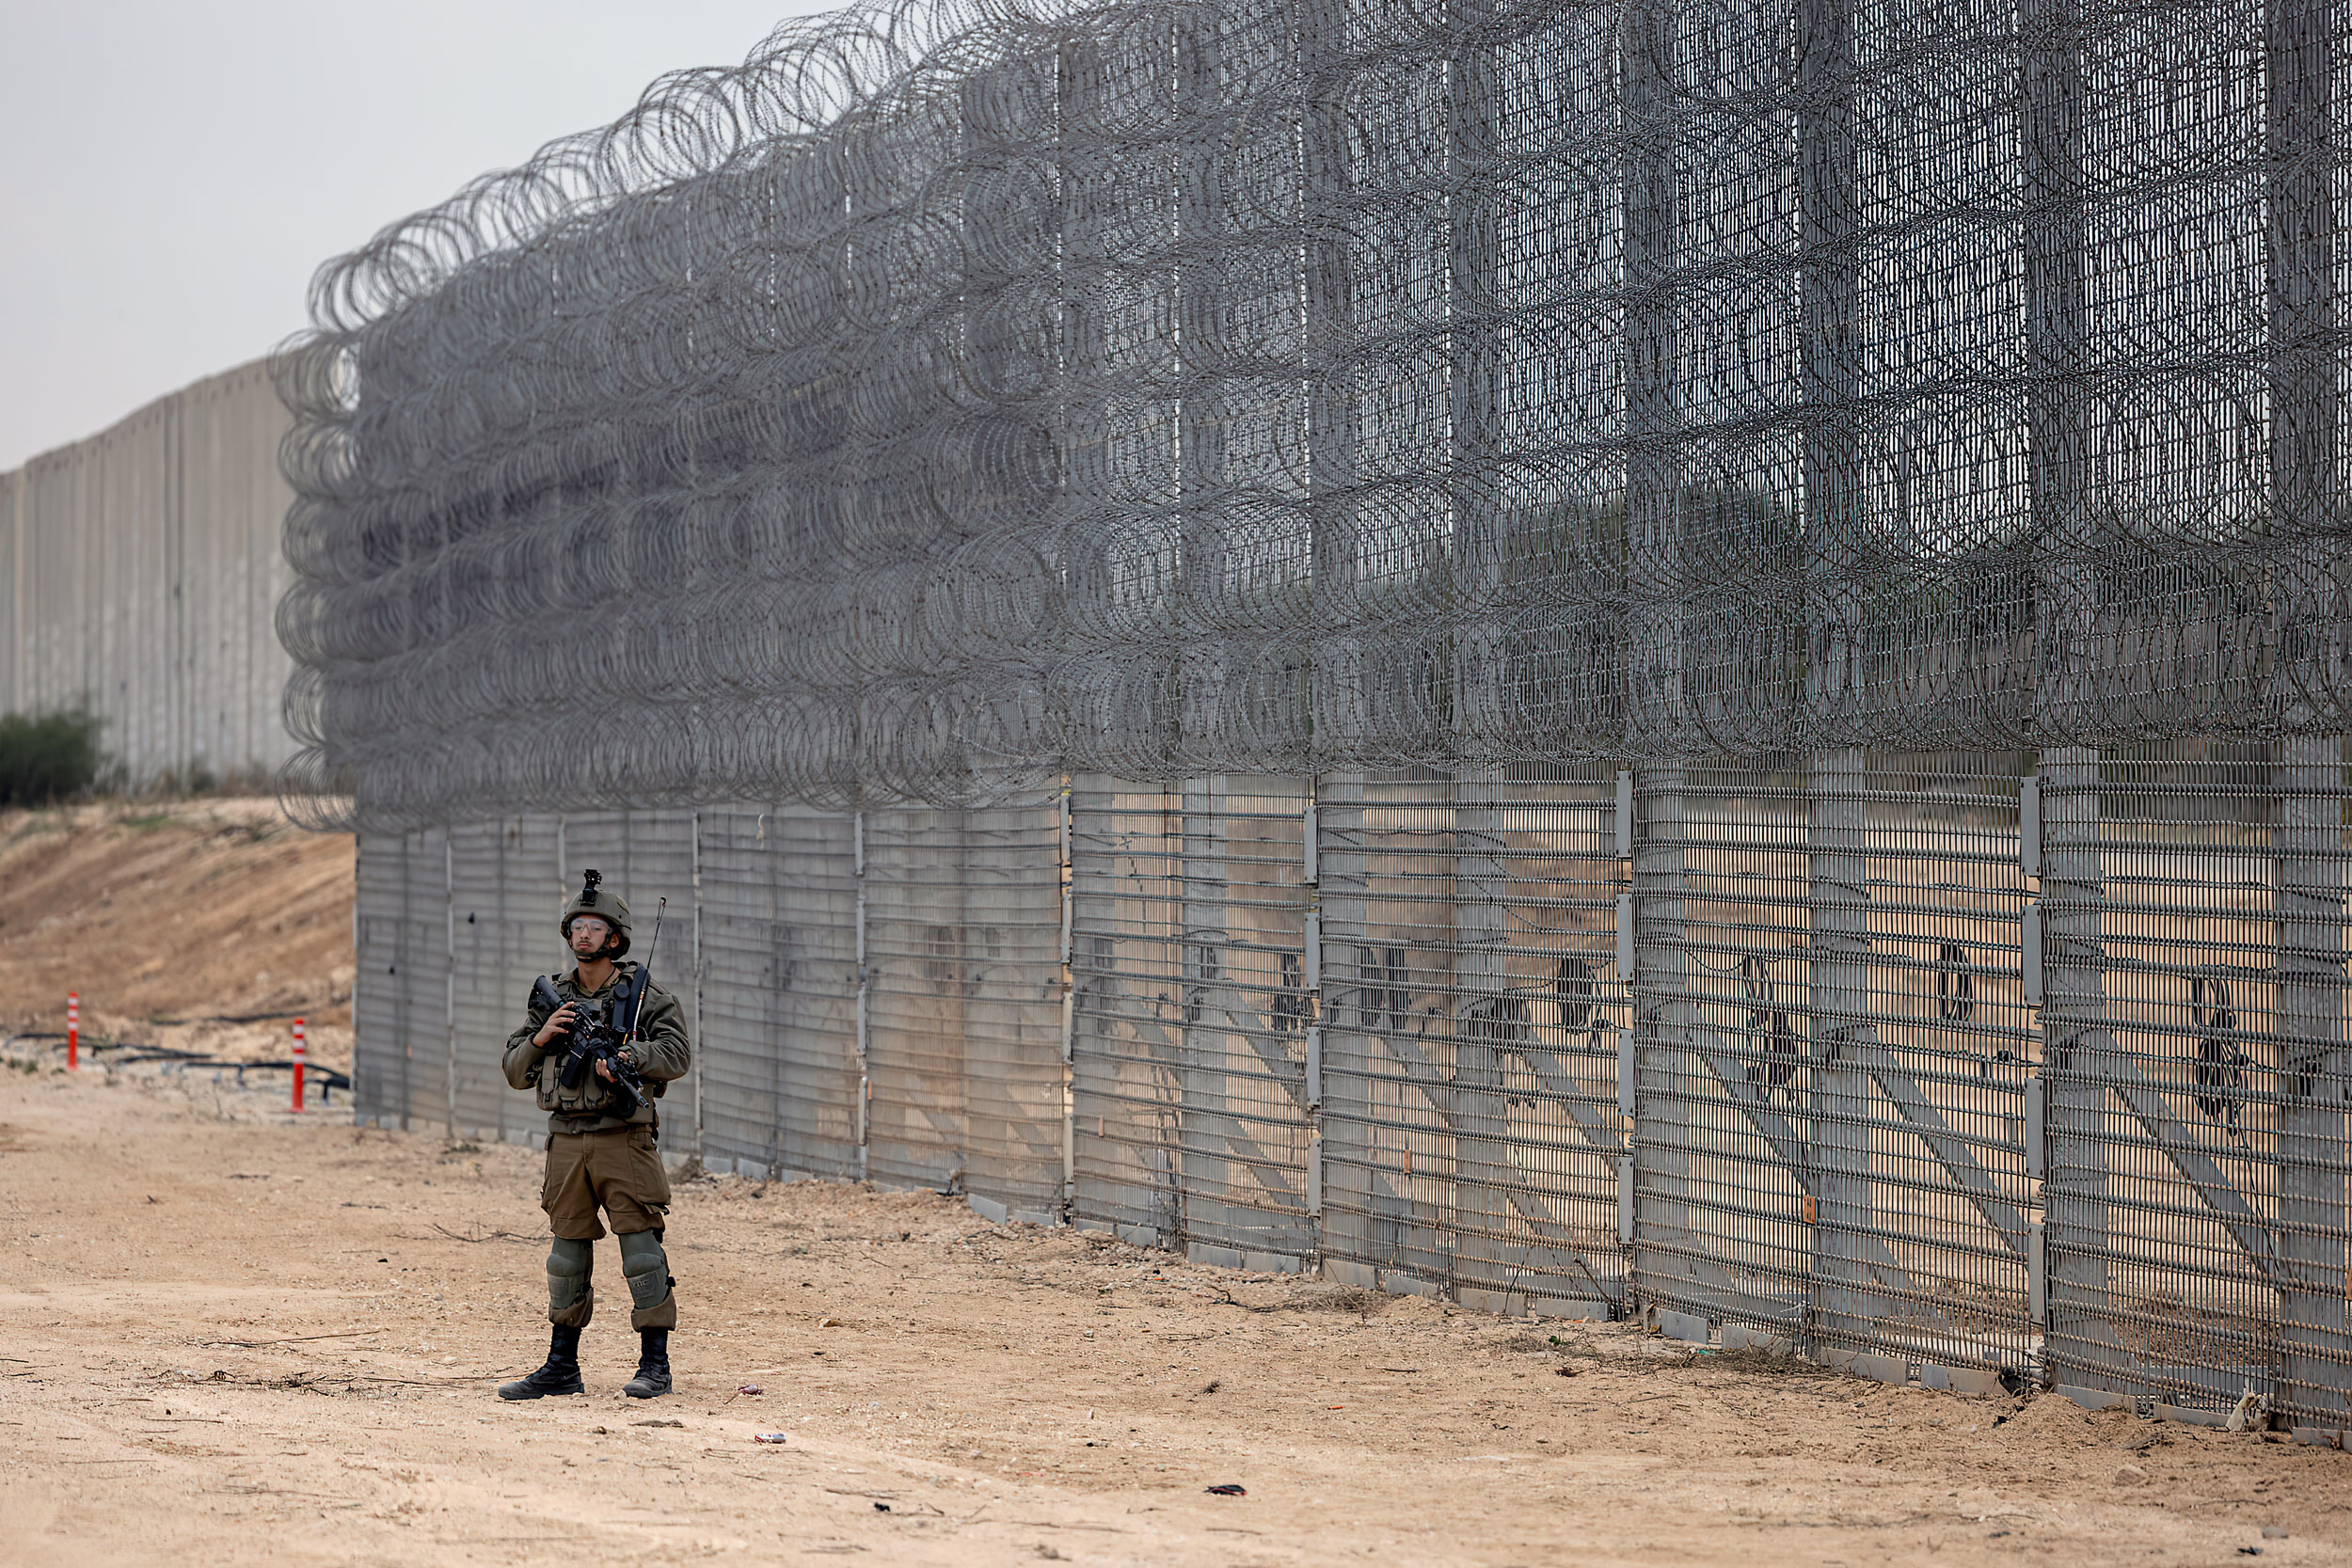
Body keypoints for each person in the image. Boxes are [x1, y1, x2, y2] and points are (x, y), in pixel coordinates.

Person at [496, 870, 692, 1401]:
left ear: (615, 937)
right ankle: (561, 1367)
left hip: (622, 1142)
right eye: (577, 927)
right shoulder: (551, 997)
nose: (584, 935)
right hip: (565, 1142)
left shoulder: (645, 995)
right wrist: (542, 1036)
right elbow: (515, 1069)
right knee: (566, 1257)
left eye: (595, 927)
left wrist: (628, 1057)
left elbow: (677, 1054)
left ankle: (655, 1366)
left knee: (642, 1252)